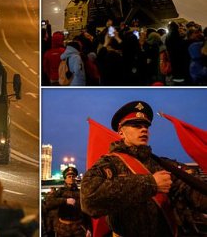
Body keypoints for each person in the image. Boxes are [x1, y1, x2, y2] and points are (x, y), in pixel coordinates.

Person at [81, 101, 207, 237]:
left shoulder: (162, 163)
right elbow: (88, 200)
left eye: (146, 126)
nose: (144, 129)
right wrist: (150, 183)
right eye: (136, 125)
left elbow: (190, 192)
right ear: (121, 131)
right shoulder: (108, 163)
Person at [44, 167, 91, 237]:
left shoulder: (80, 193)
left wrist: (89, 228)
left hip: (78, 228)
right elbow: (48, 202)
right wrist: (65, 201)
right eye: (69, 176)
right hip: (63, 229)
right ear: (65, 179)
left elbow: (86, 211)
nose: (71, 178)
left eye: (73, 176)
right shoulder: (60, 192)